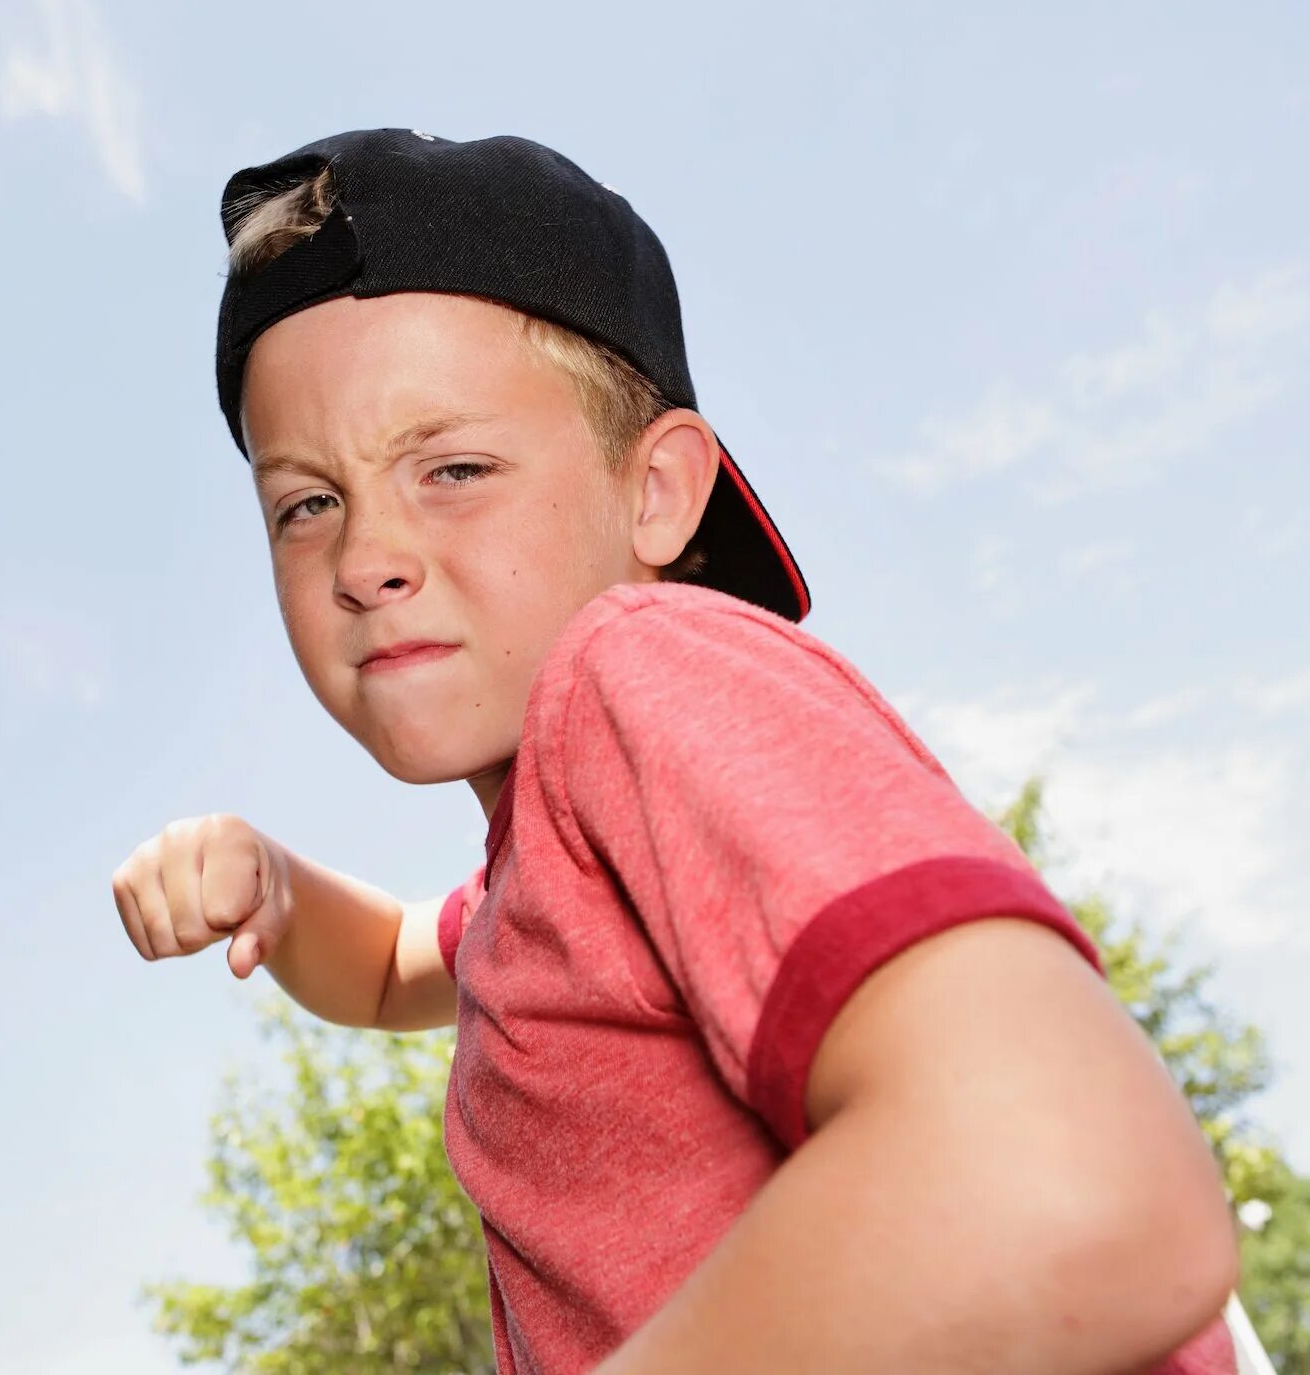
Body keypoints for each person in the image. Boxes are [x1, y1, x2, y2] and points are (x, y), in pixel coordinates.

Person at [112, 128, 1243, 1374]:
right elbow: (387, 966)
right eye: (306, 502)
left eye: (455, 467)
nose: (367, 555)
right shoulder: (537, 870)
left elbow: (1074, 1181)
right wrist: (274, 880)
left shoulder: (636, 669)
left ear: (656, 492)